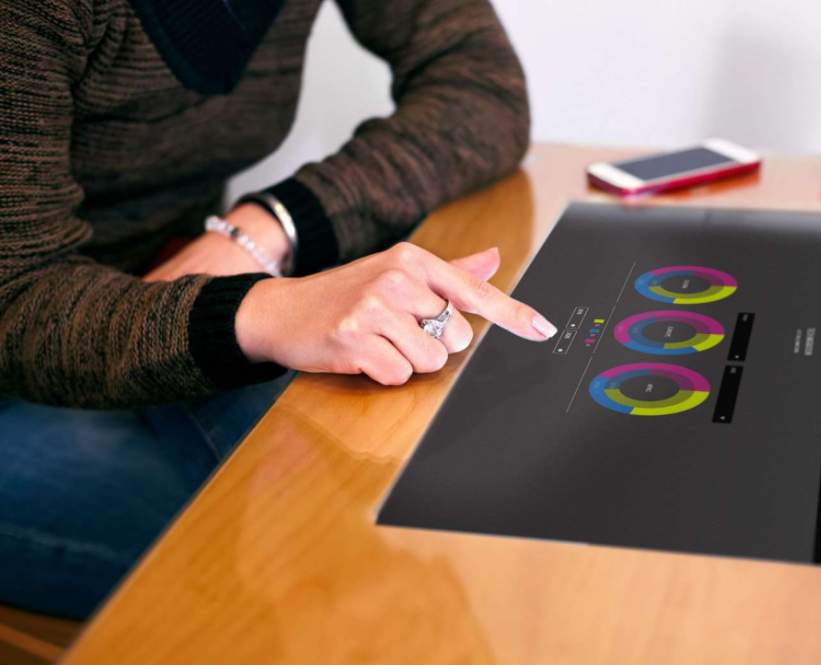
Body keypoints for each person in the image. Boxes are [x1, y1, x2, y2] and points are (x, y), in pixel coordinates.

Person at [0, 0, 553, 620]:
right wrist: (261, 314)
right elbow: (14, 300)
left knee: (381, 513)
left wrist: (270, 227)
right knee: (306, 560)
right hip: (27, 355)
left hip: (163, 311)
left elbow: (483, 86)